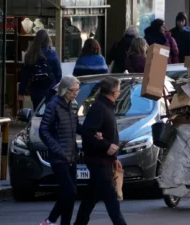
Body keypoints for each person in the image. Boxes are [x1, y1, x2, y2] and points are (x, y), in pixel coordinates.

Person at [74, 77, 127, 225]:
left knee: (91, 196)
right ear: (113, 92)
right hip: (98, 160)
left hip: (105, 159)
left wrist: (114, 156)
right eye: (118, 90)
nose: (119, 93)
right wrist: (106, 145)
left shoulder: (107, 106)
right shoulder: (99, 108)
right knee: (111, 197)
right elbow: (88, 132)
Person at [39, 75, 82, 225]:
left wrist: (92, 132)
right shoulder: (53, 105)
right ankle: (50, 220)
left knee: (68, 195)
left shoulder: (74, 105)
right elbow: (43, 130)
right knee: (70, 192)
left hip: (71, 156)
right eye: (73, 90)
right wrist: (57, 149)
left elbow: (76, 126)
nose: (76, 93)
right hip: (59, 157)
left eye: (77, 90)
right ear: (64, 89)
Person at [18, 29, 62, 111]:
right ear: (48, 39)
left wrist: (21, 92)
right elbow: (58, 73)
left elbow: (25, 76)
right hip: (50, 88)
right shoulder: (52, 54)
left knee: (37, 111)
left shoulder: (30, 54)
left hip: (36, 89)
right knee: (50, 112)